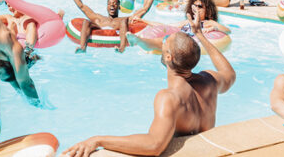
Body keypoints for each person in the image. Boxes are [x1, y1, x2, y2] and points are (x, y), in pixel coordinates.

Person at [63, 13, 236, 157]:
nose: (163, 42)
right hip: (207, 150)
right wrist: (200, 36)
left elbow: (154, 145)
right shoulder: (209, 80)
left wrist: (98, 140)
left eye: (165, 42)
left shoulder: (169, 97)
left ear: (168, 57)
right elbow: (230, 74)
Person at [58, 0, 159, 53]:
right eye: (110, 3)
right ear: (106, 6)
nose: (112, 5)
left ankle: (121, 48)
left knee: (124, 22)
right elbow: (81, 5)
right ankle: (83, 48)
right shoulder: (98, 19)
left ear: (119, 7)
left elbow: (144, 9)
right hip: (98, 31)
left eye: (115, 4)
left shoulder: (124, 19)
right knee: (86, 22)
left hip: (119, 34)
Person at [127, 0, 230, 52]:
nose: (196, 8)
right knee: (161, 40)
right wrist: (143, 20)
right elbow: (167, 26)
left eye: (200, 7)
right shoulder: (187, 22)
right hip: (177, 38)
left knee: (162, 43)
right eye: (194, 5)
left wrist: (214, 28)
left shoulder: (208, 22)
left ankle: (139, 41)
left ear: (207, 10)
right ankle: (139, 40)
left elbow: (227, 31)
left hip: (187, 43)